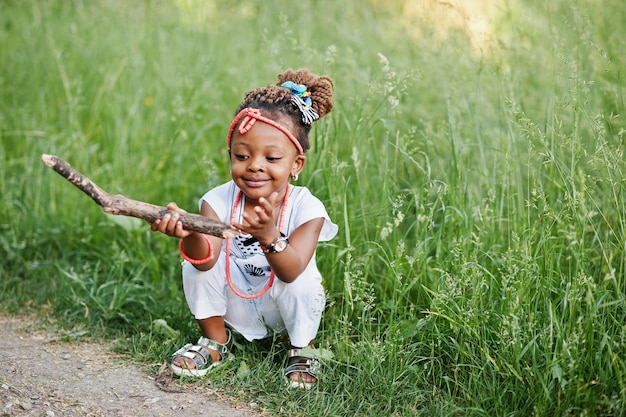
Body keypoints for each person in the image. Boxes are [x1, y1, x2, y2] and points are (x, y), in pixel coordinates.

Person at [150, 68, 338, 389]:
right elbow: (207, 261)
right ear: (230, 156)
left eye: (272, 157)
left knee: (304, 275)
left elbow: (292, 272)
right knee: (192, 266)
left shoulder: (307, 208)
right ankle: (215, 343)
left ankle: (301, 347)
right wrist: (191, 232)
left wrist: (269, 236)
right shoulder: (218, 201)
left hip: (284, 305)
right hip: (235, 303)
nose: (254, 165)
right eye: (242, 155)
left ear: (296, 165)